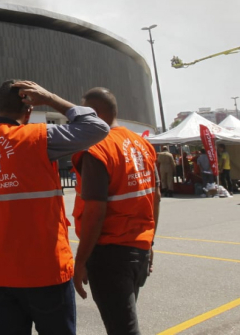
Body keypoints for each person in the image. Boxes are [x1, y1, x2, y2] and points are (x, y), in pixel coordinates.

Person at [0, 80, 110, 335]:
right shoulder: (40, 138)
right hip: (47, 273)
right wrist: (52, 98)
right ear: (30, 111)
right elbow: (97, 127)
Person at [71, 88, 159, 335]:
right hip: (138, 250)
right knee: (124, 322)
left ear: (95, 114)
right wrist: (149, 243)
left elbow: (95, 211)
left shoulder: (97, 147)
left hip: (110, 254)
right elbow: (156, 197)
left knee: (123, 329)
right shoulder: (142, 144)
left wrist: (80, 261)